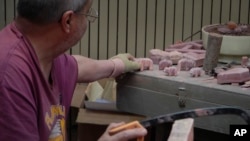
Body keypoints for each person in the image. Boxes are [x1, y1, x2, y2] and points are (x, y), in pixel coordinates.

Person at [0, 0, 147, 140]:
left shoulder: (43, 52)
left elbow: (77, 65)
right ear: (68, 21)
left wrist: (117, 64)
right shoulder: (9, 77)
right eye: (88, 13)